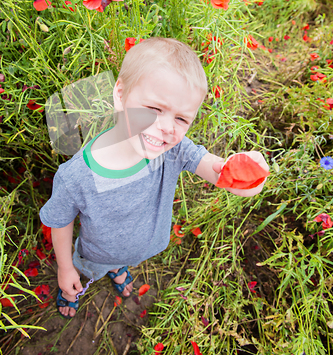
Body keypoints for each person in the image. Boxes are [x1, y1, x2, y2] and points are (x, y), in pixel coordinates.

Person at [39, 37, 269, 319]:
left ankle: (118, 268)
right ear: (121, 94)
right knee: (83, 274)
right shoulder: (76, 176)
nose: (166, 128)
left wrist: (245, 174)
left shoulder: (173, 152)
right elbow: (60, 222)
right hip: (95, 255)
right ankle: (71, 289)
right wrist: (65, 268)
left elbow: (219, 173)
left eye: (182, 119)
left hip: (142, 247)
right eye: (154, 109)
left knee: (122, 260)